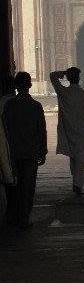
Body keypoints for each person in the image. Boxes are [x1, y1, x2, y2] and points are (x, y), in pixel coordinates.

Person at [50, 68, 84, 196]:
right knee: (80, 159)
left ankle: (76, 182)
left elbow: (53, 76)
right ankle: (77, 184)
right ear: (79, 78)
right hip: (82, 131)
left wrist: (64, 73)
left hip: (68, 131)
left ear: (68, 78)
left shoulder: (63, 92)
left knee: (73, 158)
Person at [2, 72, 47, 229]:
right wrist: (43, 150)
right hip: (30, 152)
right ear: (30, 85)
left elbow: (4, 130)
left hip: (12, 152)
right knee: (28, 187)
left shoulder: (9, 106)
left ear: (16, 86)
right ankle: (24, 217)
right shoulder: (35, 106)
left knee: (13, 186)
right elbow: (42, 130)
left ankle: (12, 215)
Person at [0, 75, 16, 222]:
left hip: (6, 148)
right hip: (20, 147)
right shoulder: (22, 103)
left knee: (8, 180)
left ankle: (10, 211)